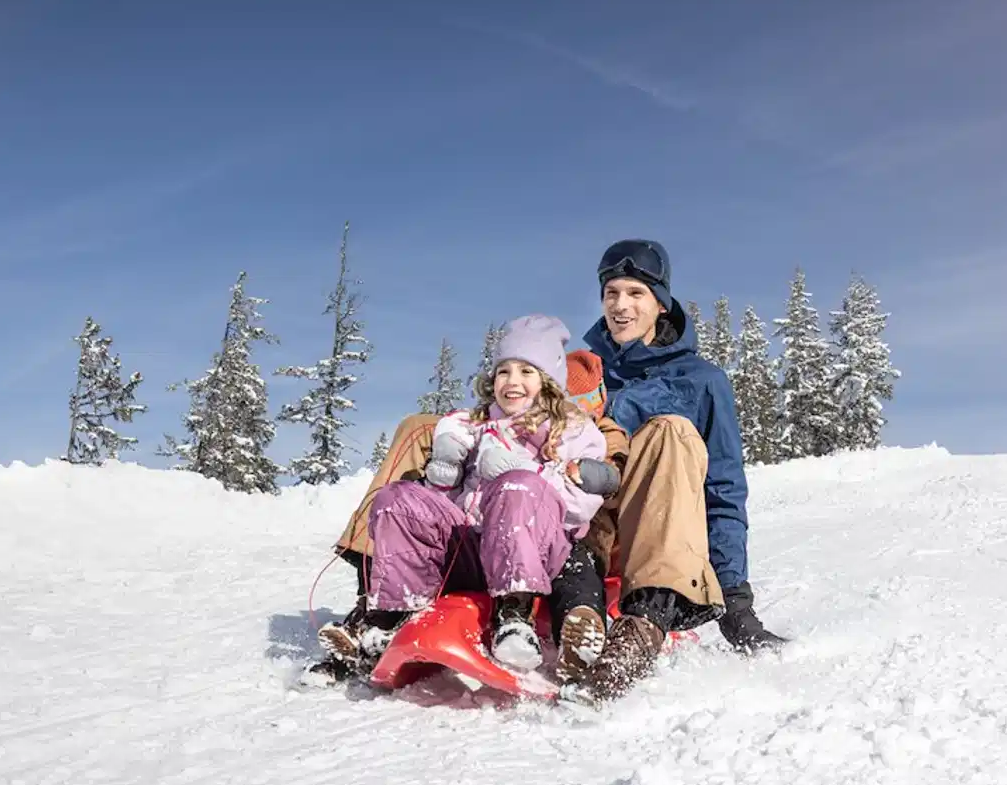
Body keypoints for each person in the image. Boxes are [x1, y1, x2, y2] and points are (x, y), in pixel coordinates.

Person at [308, 316, 616, 680]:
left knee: (515, 487)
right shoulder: (474, 424)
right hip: (472, 549)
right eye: (504, 371)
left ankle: (514, 617)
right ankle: (390, 619)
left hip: (538, 551)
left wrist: (526, 473)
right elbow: (445, 509)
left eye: (526, 372)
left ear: (548, 381)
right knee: (398, 500)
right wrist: (443, 475)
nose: (512, 381)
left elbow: (579, 507)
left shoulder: (573, 431)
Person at [572, 238, 786, 702]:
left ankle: (644, 624)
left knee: (670, 431)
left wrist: (735, 599)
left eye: (636, 293)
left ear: (661, 304)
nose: (621, 306)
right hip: (582, 535)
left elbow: (723, 489)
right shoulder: (583, 374)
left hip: (653, 541)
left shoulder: (701, 381)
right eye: (611, 294)